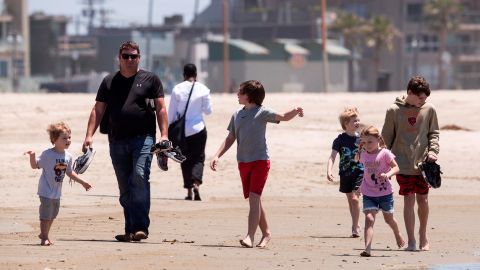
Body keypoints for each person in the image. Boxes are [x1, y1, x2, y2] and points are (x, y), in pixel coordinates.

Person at [82, 41, 168, 242]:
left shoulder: (150, 79)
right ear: (119, 58)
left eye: (134, 56)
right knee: (125, 187)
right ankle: (130, 229)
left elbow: (161, 108)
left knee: (139, 176)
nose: (130, 60)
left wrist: (164, 135)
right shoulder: (109, 81)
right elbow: (98, 109)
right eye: (126, 56)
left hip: (144, 138)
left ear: (140, 58)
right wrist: (88, 135)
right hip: (116, 139)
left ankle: (140, 227)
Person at [209, 80, 304, 248]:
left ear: (250, 96)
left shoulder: (262, 112)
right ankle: (266, 233)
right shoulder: (237, 114)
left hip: (260, 161)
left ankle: (249, 237)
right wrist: (217, 155)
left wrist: (295, 111)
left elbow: (283, 116)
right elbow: (231, 138)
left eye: (240, 92)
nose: (237, 94)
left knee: (254, 198)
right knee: (255, 200)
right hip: (243, 162)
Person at [381, 75, 439, 251]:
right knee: (408, 201)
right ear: (410, 93)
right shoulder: (393, 110)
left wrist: (433, 151)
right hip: (402, 165)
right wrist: (383, 165)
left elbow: (434, 134)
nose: (423, 101)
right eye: (420, 97)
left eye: (425, 98)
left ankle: (423, 235)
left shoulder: (429, 109)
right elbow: (385, 140)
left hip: (423, 165)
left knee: (424, 200)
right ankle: (412, 240)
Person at [24, 122, 92, 246]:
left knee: (53, 215)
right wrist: (32, 156)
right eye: (64, 138)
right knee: (45, 215)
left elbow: (70, 173)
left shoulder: (68, 156)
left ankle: (44, 233)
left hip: (57, 192)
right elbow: (35, 166)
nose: (68, 140)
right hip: (45, 190)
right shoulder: (48, 154)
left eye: (69, 137)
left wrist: (83, 182)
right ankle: (44, 237)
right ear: (54, 140)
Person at [356, 126, 405, 257]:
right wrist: (359, 150)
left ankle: (397, 233)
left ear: (378, 139)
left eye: (370, 142)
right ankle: (367, 249)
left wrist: (388, 174)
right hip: (368, 193)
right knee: (369, 219)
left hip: (385, 193)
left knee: (388, 219)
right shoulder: (363, 153)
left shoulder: (385, 153)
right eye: (364, 142)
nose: (367, 145)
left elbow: (396, 168)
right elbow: (357, 161)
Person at [168, 63, 212, 201]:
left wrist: (169, 131)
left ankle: (188, 192)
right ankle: (196, 183)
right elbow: (208, 111)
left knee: (185, 158)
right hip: (198, 128)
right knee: (198, 157)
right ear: (196, 74)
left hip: (182, 131)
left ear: (184, 74)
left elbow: (171, 114)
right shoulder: (204, 89)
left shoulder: (177, 89)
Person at [326, 107, 364, 238]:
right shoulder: (339, 140)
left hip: (360, 173)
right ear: (346, 124)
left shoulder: (362, 139)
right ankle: (356, 223)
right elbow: (332, 156)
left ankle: (355, 226)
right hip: (345, 174)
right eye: (354, 121)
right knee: (351, 200)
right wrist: (329, 170)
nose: (357, 122)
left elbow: (372, 153)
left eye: (358, 120)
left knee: (355, 199)